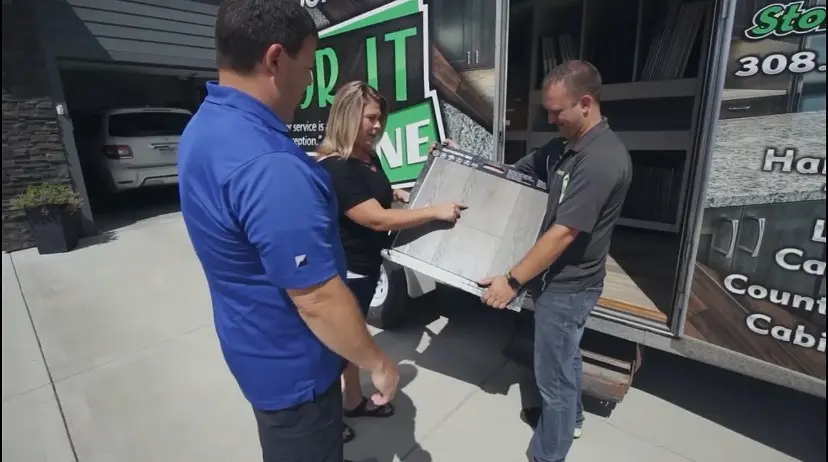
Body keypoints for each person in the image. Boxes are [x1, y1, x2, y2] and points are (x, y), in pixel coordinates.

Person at [177, 2, 399, 462]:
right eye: (309, 66)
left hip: (253, 345)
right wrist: (376, 361)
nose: (308, 81)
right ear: (275, 59)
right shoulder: (270, 164)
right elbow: (316, 298)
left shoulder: (205, 127)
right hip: (295, 370)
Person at [477, 60, 632, 462]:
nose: (550, 118)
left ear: (585, 103)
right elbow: (520, 170)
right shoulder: (566, 146)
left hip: (568, 287)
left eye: (556, 111)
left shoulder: (600, 159)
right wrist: (464, 166)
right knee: (565, 358)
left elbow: (564, 232)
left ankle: (548, 453)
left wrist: (511, 281)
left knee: (553, 378)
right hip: (557, 282)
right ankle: (572, 419)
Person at [315, 81, 466, 443]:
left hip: (366, 269)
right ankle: (323, 425)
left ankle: (352, 401)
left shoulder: (368, 157)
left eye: (380, 118)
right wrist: (435, 212)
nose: (377, 125)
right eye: (370, 118)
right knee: (334, 353)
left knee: (352, 342)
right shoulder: (337, 166)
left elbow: (381, 194)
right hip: (347, 273)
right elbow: (375, 218)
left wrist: (420, 176)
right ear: (348, 116)